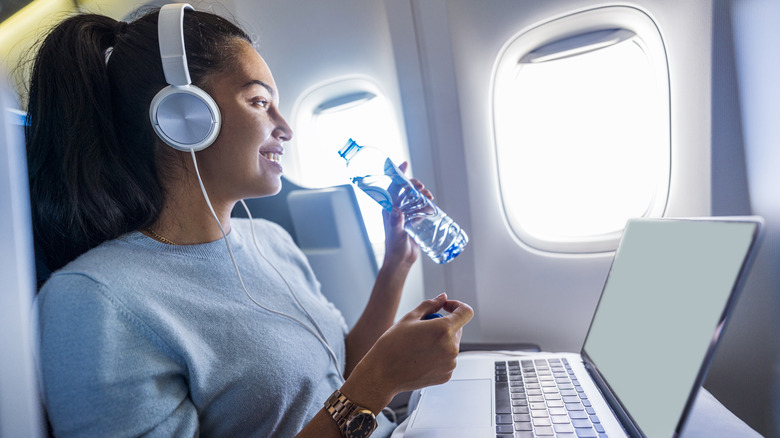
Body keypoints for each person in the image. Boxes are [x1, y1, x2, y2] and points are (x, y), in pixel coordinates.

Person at [27, 4, 473, 437]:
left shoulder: (271, 240)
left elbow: (340, 370)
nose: (286, 127)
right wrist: (380, 383)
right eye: (260, 101)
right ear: (183, 116)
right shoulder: (94, 302)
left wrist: (396, 264)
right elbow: (362, 387)